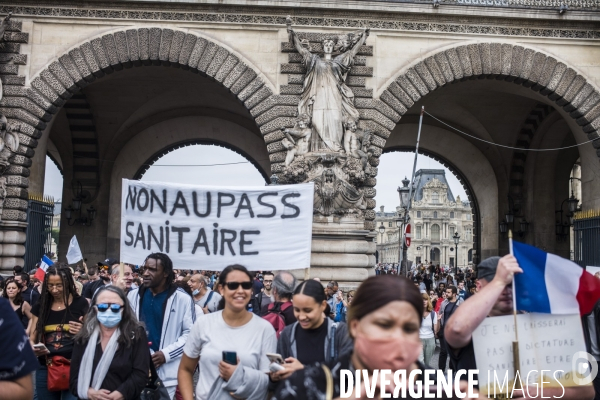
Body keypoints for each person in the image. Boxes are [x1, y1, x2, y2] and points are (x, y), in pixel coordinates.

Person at [273, 275, 478, 399]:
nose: (397, 338)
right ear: (355, 327)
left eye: (408, 328)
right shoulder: (303, 386)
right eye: (384, 325)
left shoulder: (441, 388)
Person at [445, 256, 595, 399]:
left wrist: (545, 394)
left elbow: (587, 392)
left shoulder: (542, 327)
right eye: (499, 284)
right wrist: (499, 280)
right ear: (479, 286)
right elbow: (456, 329)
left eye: (512, 283)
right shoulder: (470, 327)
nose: (506, 289)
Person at [178, 264, 277, 400]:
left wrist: (239, 375)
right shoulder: (203, 324)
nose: (240, 290)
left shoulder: (265, 330)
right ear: (221, 289)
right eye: (233, 285)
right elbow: (185, 369)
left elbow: (267, 383)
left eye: (246, 285)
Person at [127, 253, 195, 398]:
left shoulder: (182, 299)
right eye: (144, 269)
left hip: (166, 377)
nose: (145, 273)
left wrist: (166, 354)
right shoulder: (132, 296)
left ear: (165, 273)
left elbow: (190, 334)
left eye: (152, 269)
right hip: (135, 371)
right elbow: (125, 328)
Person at [70, 286, 149, 400]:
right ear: (95, 308)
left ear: (124, 308)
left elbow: (141, 374)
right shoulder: (84, 336)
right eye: (102, 307)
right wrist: (89, 392)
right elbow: (74, 379)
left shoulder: (136, 334)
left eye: (115, 307)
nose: (109, 311)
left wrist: (120, 394)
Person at [271, 279, 353, 383]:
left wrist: (304, 371)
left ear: (323, 305)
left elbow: (349, 377)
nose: (301, 316)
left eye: (308, 310)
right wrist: (275, 377)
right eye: (296, 310)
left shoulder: (340, 333)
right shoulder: (288, 334)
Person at [30, 265, 89, 400]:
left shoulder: (80, 304)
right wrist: (34, 349)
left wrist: (83, 330)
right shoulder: (41, 305)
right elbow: (32, 338)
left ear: (68, 283)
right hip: (46, 366)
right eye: (50, 285)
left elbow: (94, 334)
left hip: (74, 366)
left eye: (59, 285)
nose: (54, 290)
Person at [0, 297, 39, 400]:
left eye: (13, 288)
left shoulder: (3, 311)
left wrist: (28, 333)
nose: (11, 290)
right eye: (9, 288)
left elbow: (24, 391)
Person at [419, 292, 439, 366]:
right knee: (420, 362)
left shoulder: (433, 314)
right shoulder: (416, 313)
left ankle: (424, 377)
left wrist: (438, 321)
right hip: (419, 339)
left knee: (427, 363)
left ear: (428, 301)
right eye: (422, 300)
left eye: (425, 299)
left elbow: (435, 330)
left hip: (430, 340)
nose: (424, 301)